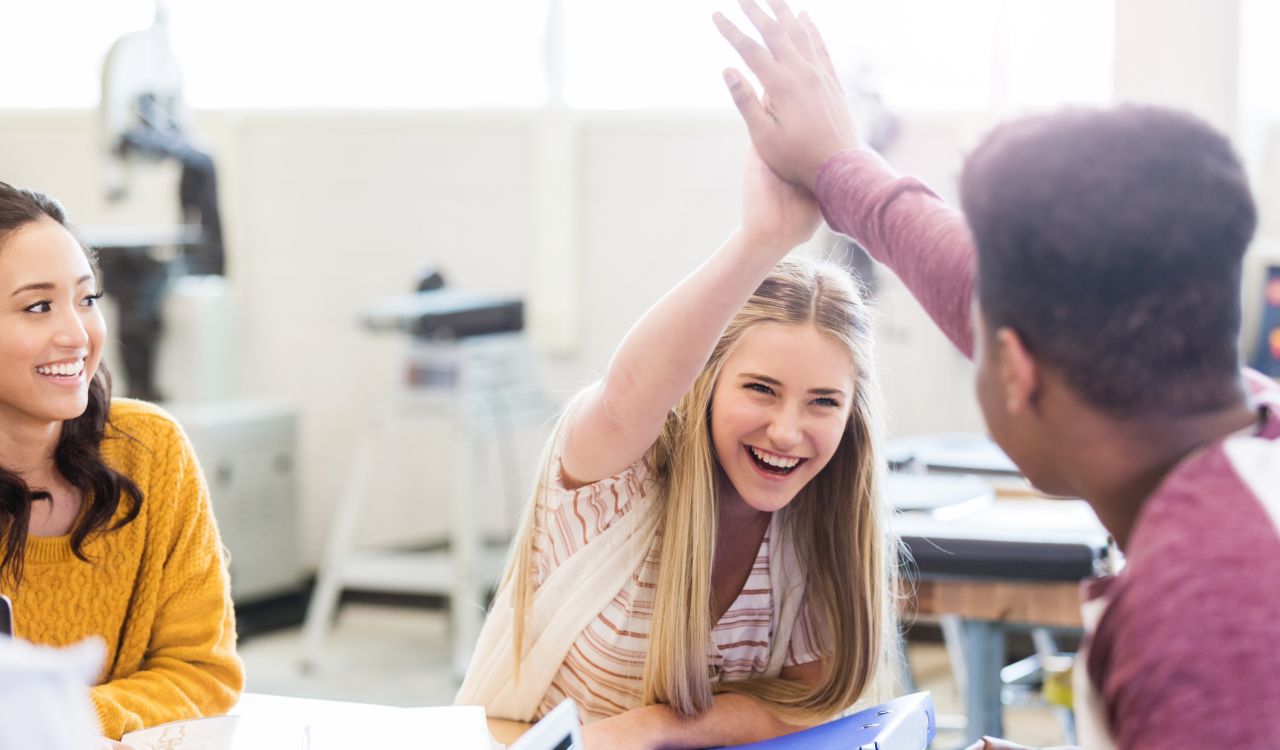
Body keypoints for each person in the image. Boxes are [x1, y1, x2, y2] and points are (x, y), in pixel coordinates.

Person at [715, 3, 1280, 749]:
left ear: (1015, 368)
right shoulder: (1252, 433)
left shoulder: (1199, 618)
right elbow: (970, 279)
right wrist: (838, 165)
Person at [456, 149, 900, 748]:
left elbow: (811, 704)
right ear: (705, 382)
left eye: (823, 402)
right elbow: (621, 398)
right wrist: (759, 242)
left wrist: (655, 728)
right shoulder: (619, 477)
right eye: (761, 389)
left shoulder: (821, 517)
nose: (789, 432)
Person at [0, 182, 244, 742]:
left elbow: (204, 672)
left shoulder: (151, 450)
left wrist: (62, 723)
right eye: (38, 306)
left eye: (86, 299)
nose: (77, 334)